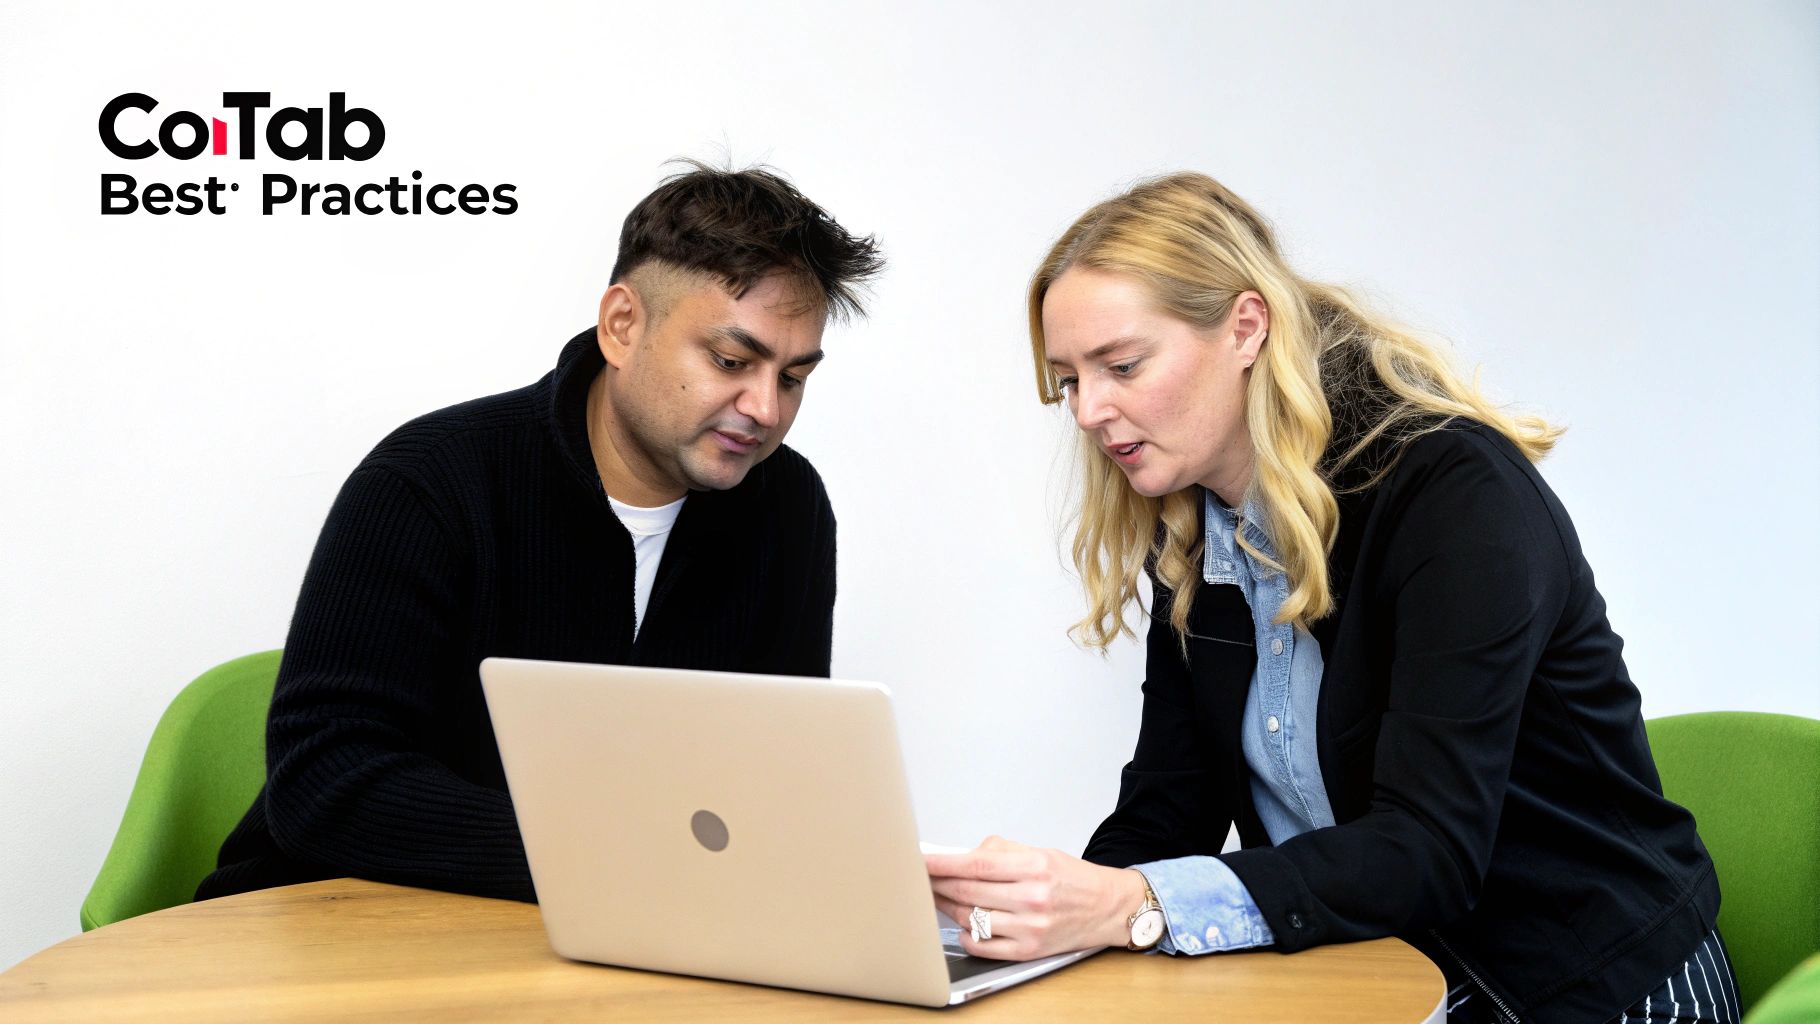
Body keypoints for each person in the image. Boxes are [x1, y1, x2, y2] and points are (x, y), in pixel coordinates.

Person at [924, 173, 1740, 1023]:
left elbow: (1428, 852)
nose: (1090, 410)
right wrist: (1039, 924)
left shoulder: (1455, 495)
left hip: (1587, 983)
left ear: (1246, 327)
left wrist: (1132, 905)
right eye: (1068, 382)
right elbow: (1168, 811)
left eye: (1122, 365)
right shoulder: (1195, 531)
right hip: (1384, 981)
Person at [198, 162, 883, 903]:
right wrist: (616, 858)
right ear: (623, 325)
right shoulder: (431, 481)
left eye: (793, 378)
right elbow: (324, 780)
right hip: (335, 921)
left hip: (620, 935)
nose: (766, 409)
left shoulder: (786, 506)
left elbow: (772, 770)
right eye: (730, 360)